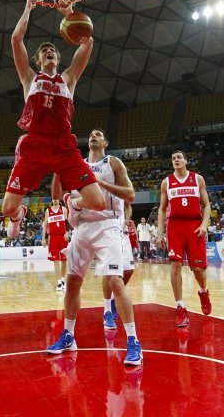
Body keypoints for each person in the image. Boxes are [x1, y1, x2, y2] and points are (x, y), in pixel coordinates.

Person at [1, 0, 105, 237]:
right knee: (8, 208)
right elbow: (16, 40)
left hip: (63, 146)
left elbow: (87, 43)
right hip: (35, 145)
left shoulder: (68, 79)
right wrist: (28, 7)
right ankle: (19, 215)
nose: (49, 51)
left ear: (57, 59)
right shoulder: (29, 78)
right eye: (44, 51)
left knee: (98, 203)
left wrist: (69, 13)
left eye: (53, 51)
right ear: (38, 61)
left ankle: (73, 203)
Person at [48, 129, 142, 366]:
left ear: (105, 142)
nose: (94, 135)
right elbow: (56, 195)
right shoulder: (77, 163)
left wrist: (99, 183)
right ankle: (68, 335)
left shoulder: (113, 163)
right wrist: (59, 167)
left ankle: (133, 341)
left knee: (115, 281)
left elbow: (130, 194)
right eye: (91, 134)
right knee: (72, 282)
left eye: (99, 134)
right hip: (82, 227)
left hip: (108, 224)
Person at [156, 150, 212, 328]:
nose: (176, 160)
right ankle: (179, 307)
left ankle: (203, 292)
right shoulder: (167, 182)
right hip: (175, 226)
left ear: (186, 161)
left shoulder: (198, 179)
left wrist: (204, 224)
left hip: (194, 226)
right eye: (173, 158)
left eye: (179, 157)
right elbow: (162, 210)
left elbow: (207, 205)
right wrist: (159, 234)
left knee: (197, 268)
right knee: (175, 264)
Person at [41, 199, 69, 292]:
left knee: (64, 260)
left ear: (59, 199)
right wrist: (43, 238)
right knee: (56, 260)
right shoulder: (48, 211)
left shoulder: (64, 209)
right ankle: (59, 281)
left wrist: (67, 232)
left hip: (63, 237)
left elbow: (67, 222)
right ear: (52, 200)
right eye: (54, 199)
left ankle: (63, 279)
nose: (55, 200)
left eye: (57, 199)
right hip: (52, 237)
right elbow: (45, 225)